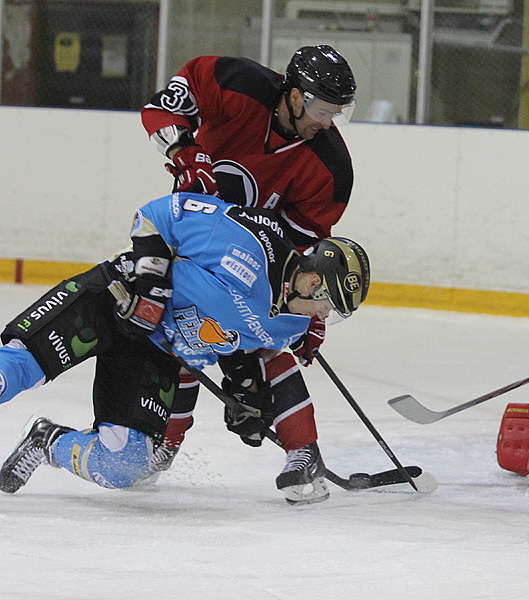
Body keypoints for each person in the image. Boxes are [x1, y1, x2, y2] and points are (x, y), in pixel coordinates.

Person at [0, 192, 370, 503]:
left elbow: (242, 350)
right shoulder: (249, 242)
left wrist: (249, 398)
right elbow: (155, 215)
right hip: (116, 299)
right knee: (11, 373)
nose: (325, 315)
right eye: (329, 304)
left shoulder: (290, 324)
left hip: (155, 352)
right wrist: (151, 290)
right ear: (312, 280)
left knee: (122, 467)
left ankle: (46, 441)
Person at [140, 44, 357, 501]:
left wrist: (309, 311)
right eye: (321, 108)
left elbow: (302, 251)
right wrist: (183, 148)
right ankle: (164, 444)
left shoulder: (331, 168)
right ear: (294, 95)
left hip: (256, 265)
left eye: (338, 112)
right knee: (180, 336)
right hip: (191, 239)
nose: (327, 121)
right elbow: (160, 108)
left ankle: (304, 454)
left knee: (268, 339)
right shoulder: (235, 82)